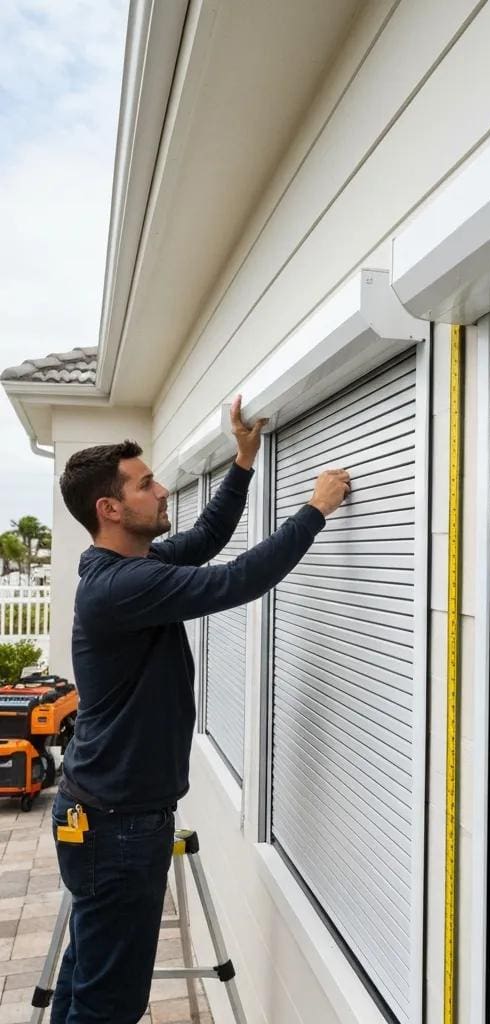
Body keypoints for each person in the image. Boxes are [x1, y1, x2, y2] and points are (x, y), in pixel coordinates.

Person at [50, 396, 351, 1023]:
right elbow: (237, 580)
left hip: (105, 813)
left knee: (89, 975)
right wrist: (315, 509)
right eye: (146, 483)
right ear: (109, 509)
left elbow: (209, 539)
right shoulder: (120, 587)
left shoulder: (136, 564)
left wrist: (243, 460)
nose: (163, 491)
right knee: (110, 999)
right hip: (117, 823)